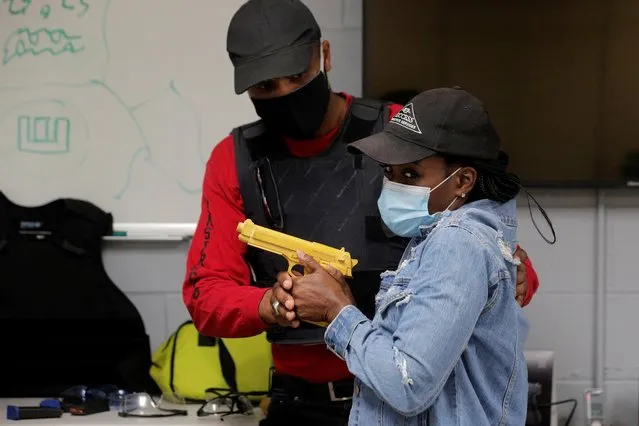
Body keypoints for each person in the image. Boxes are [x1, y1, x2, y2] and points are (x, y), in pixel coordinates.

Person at [183, 1, 539, 424]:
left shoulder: (399, 136)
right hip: (303, 403)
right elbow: (206, 294)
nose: (285, 95)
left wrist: (512, 274)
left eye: (297, 77)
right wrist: (276, 304)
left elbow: (497, 250)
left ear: (325, 56)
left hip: (413, 404)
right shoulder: (234, 160)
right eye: (265, 87)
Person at [283, 87, 536, 425]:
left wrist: (337, 313)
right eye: (389, 172)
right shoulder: (441, 236)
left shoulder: (456, 243)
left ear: (462, 180)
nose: (394, 185)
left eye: (411, 174)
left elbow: (408, 384)